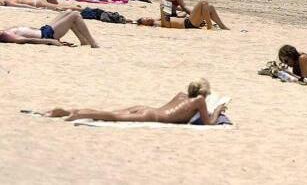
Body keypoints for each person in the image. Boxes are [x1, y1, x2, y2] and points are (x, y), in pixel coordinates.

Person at [43, 79, 226, 124]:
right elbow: (209, 123)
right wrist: (217, 110)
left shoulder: (180, 95)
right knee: (113, 117)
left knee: (111, 111)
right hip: (153, 116)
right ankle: (76, 115)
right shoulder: (200, 101)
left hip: (146, 108)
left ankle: (68, 110)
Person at [0, 11, 99, 47]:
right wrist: (50, 41)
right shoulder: (5, 35)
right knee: (75, 15)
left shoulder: (4, 31)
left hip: (44, 30)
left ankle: (83, 41)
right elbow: (26, 40)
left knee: (67, 12)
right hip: (47, 35)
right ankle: (93, 43)